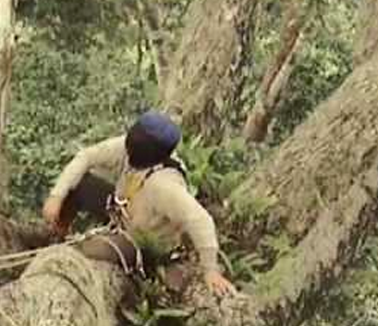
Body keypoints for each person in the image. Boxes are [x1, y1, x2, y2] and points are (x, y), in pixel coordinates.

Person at [41, 111, 235, 297]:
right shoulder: (131, 148)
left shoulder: (164, 185)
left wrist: (211, 270)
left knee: (91, 250)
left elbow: (201, 220)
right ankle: (57, 232)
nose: (128, 150)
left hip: (142, 241)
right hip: (120, 211)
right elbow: (86, 156)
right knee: (79, 184)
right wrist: (56, 197)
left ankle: (66, 259)